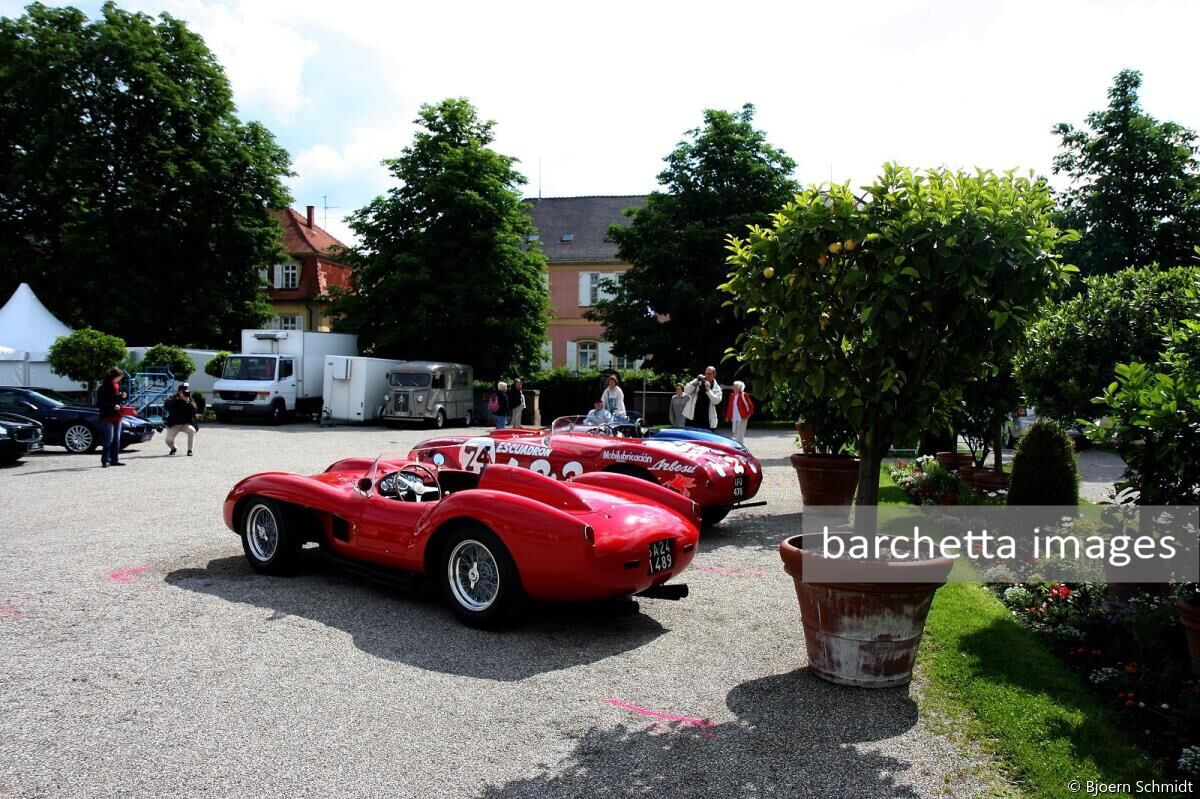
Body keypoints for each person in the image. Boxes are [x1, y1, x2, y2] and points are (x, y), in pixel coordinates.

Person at [95, 368, 126, 467]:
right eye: (118, 378)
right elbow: (100, 403)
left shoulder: (117, 386)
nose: (119, 380)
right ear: (113, 377)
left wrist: (122, 397)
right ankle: (105, 459)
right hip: (107, 415)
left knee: (117, 439)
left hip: (117, 415)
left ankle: (115, 459)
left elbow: (116, 399)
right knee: (109, 439)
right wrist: (112, 406)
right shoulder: (103, 387)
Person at [683, 365, 723, 432]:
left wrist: (708, 390)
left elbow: (717, 401)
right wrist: (694, 382)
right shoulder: (698, 381)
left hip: (706, 418)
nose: (707, 375)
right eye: (706, 373)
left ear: (714, 375)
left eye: (710, 374)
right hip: (693, 417)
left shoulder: (717, 387)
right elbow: (686, 391)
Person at [163, 384, 199, 456]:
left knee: (192, 431)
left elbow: (194, 410)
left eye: (186, 392)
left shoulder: (189, 399)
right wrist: (177, 399)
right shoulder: (173, 399)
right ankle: (173, 448)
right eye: (183, 392)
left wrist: (187, 401)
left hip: (185, 424)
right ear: (179, 392)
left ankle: (190, 450)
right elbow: (166, 406)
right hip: (175, 424)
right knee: (168, 440)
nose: (185, 394)